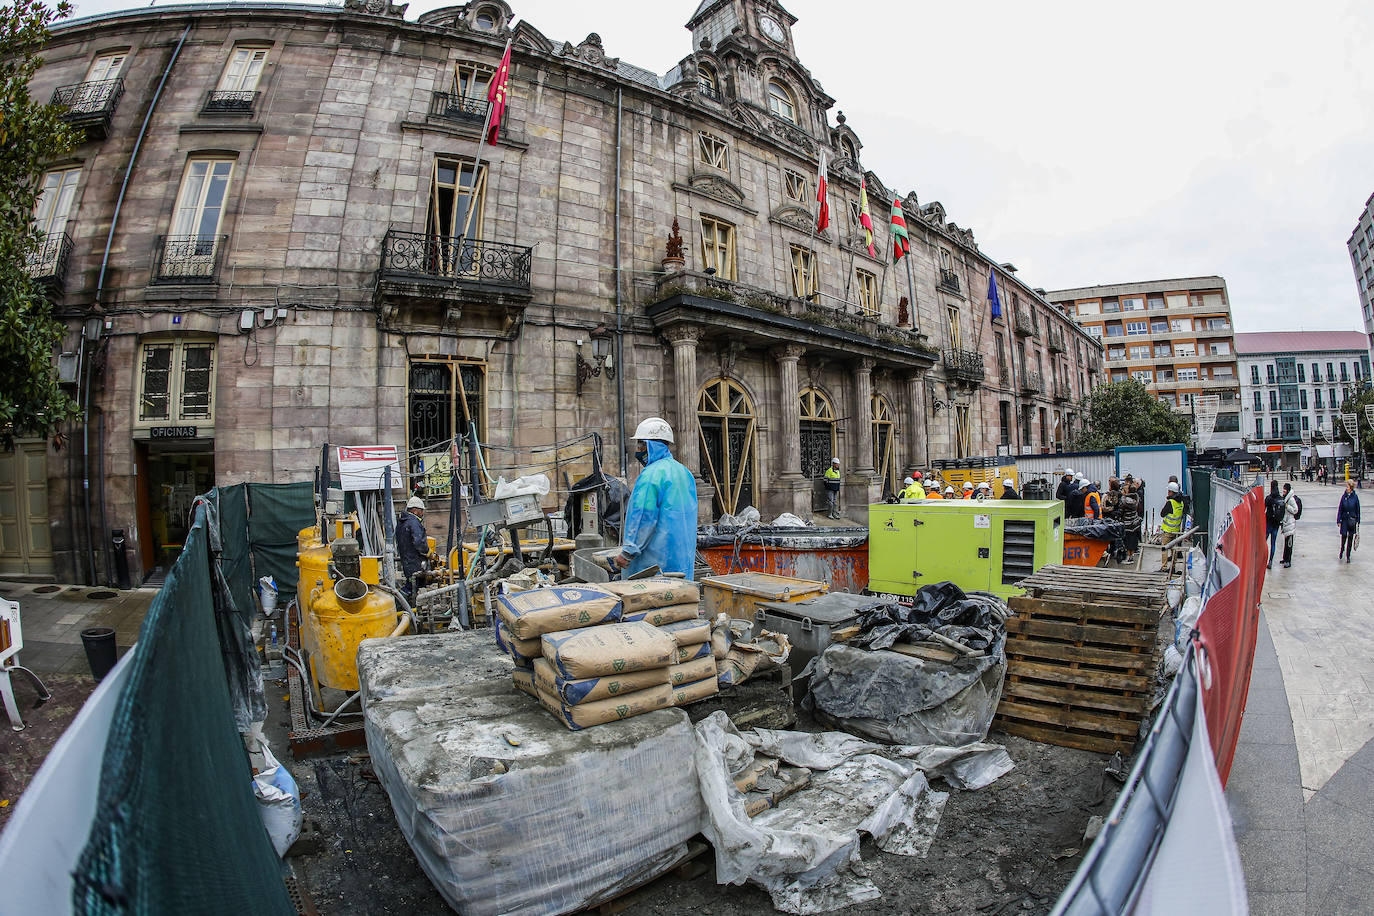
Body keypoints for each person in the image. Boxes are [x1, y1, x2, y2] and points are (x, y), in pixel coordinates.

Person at [613, 417, 698, 579]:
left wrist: (627, 553)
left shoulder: (651, 475)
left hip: (653, 565)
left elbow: (643, 516)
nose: (638, 450)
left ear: (649, 445)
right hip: (681, 564)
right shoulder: (684, 473)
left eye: (640, 444)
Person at [396, 496, 430, 596]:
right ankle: (401, 602)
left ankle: (408, 604)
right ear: (415, 511)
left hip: (406, 560)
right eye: (421, 510)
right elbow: (419, 542)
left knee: (412, 583)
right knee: (413, 585)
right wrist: (427, 552)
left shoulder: (402, 522)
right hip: (415, 561)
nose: (422, 513)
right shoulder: (414, 523)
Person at [1158, 481, 1186, 571]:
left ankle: (1164, 567)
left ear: (1170, 492)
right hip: (1176, 530)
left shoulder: (1170, 502)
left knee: (1164, 549)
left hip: (1168, 530)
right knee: (1174, 549)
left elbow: (1162, 514)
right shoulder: (1181, 502)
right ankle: (1173, 567)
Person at [1338, 479, 1361, 563]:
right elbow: (1340, 508)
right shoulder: (1344, 496)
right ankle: (1342, 549)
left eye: (1347, 485)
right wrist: (1339, 520)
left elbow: (1358, 509)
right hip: (1344, 519)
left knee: (1350, 538)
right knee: (1343, 536)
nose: (1346, 487)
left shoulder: (1355, 497)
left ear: (1351, 487)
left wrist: (1358, 520)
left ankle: (1348, 555)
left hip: (1352, 519)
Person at [1263, 481, 1285, 570]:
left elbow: (1263, 508)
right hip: (1276, 524)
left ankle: (1262, 558)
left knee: (1264, 541)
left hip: (1268, 523)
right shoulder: (1281, 499)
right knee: (1273, 543)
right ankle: (1270, 561)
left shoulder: (1269, 498)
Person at [1279, 482, 1299, 568]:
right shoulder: (1286, 498)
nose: (1283, 492)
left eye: (1284, 491)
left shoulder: (1290, 499)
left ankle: (1288, 560)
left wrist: (1287, 506)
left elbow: (1295, 510)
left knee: (1289, 543)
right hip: (1286, 523)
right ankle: (1285, 558)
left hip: (1290, 523)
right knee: (1286, 542)